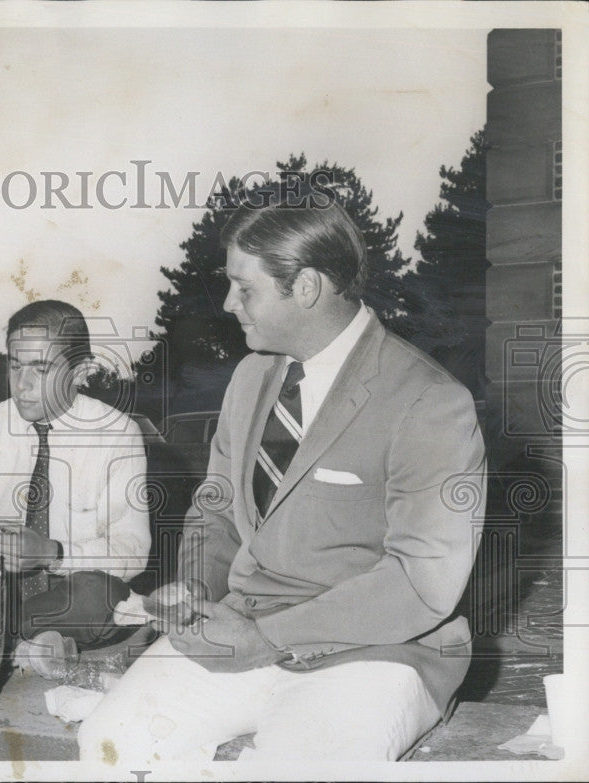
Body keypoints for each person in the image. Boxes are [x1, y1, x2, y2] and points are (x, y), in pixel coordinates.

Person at [79, 192, 486, 764]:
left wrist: (269, 639)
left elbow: (421, 582)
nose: (227, 303)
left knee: (298, 765)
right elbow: (217, 511)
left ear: (307, 287)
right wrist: (195, 589)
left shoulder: (430, 401)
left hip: (377, 651)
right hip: (241, 628)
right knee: (109, 747)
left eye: (245, 288)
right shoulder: (250, 377)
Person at [0, 300, 151, 669]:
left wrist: (51, 553)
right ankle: (31, 645)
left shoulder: (117, 434)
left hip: (74, 596)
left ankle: (3, 643)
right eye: (15, 366)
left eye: (41, 368)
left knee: (97, 594)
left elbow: (134, 550)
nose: (22, 385)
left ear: (81, 371)